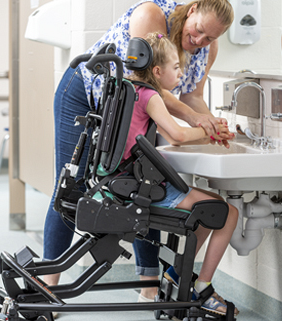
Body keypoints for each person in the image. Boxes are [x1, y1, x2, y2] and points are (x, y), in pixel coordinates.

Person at [43, 0, 235, 314]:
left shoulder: (206, 49)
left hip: (137, 109)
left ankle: (149, 288)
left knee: (146, 186)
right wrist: (199, 125)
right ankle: (47, 288)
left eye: (210, 39)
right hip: (86, 93)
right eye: (199, 31)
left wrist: (214, 124)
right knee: (71, 187)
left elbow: (192, 96)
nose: (201, 42)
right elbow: (148, 83)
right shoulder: (151, 15)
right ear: (192, 9)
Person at [124, 32, 238, 316]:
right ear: (157, 71)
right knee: (228, 213)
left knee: (207, 210)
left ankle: (177, 275)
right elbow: (176, 133)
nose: (181, 72)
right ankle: (203, 287)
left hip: (128, 183)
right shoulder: (150, 95)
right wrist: (211, 130)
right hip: (142, 188)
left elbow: (170, 136)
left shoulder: (129, 89)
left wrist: (207, 135)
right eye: (176, 67)